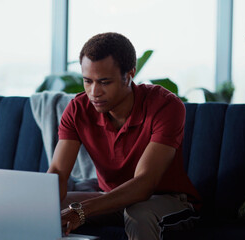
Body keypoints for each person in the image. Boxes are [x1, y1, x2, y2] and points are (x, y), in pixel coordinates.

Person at [47, 32, 201, 240]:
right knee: (41, 208)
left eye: (104, 82)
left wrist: (81, 211)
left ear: (129, 75)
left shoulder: (165, 105)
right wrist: (43, 206)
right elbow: (58, 171)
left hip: (165, 199)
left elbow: (144, 183)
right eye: (88, 81)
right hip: (108, 198)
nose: (94, 92)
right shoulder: (78, 109)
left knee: (139, 214)